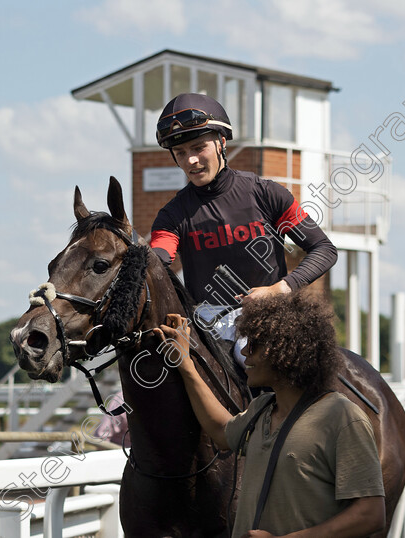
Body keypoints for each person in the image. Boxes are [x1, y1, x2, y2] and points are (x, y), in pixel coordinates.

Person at [155, 291, 385, 537]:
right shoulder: (262, 408)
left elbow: (370, 514)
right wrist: (186, 364)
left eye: (253, 345)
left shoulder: (342, 417)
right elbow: (221, 431)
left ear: (285, 349)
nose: (244, 354)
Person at [149, 93, 337, 362]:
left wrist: (277, 290)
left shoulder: (267, 194)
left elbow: (323, 249)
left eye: (199, 147)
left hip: (268, 319)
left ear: (221, 143)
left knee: (249, 360)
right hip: (204, 326)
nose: (190, 160)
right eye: (180, 153)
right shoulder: (172, 215)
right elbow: (158, 258)